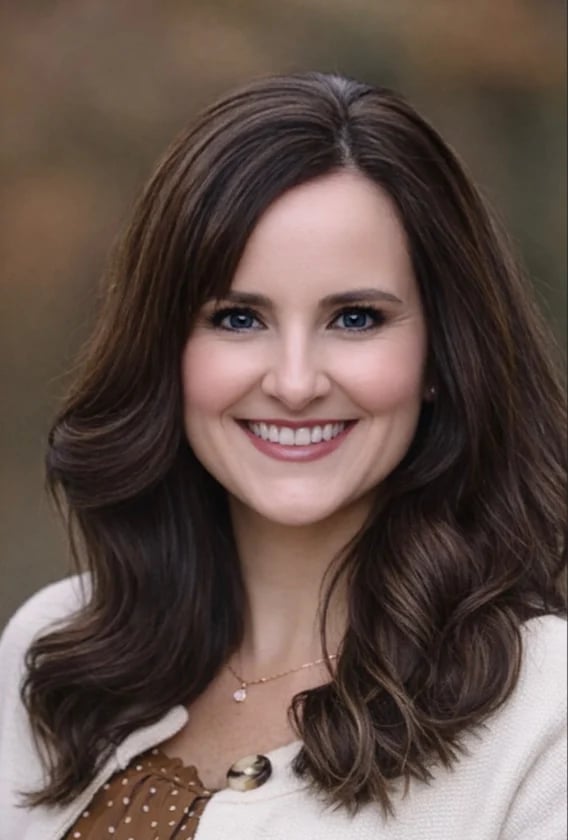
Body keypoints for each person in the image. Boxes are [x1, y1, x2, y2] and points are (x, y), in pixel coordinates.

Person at [0, 71, 565, 840]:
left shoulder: (543, 712)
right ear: (167, 347)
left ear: (441, 356)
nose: (295, 383)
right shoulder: (56, 653)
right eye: (238, 318)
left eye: (357, 317)